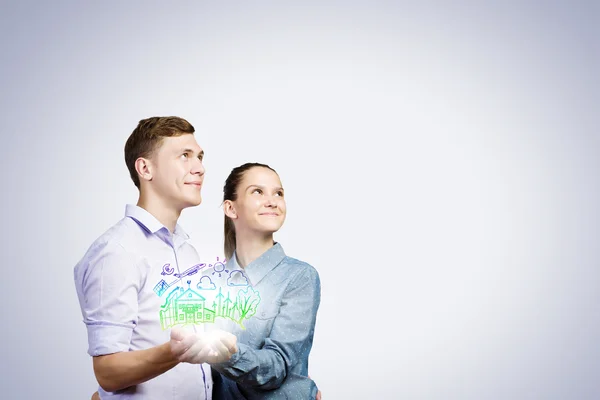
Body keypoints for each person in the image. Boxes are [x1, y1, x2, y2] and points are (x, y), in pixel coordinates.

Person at [74, 116, 237, 399]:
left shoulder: (188, 252)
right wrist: (173, 352)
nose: (199, 168)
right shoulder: (117, 251)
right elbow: (107, 372)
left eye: (199, 157)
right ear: (145, 168)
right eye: (184, 156)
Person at [202, 162, 322, 398]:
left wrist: (225, 354)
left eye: (278, 193)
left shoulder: (300, 278)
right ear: (231, 208)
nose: (273, 201)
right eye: (258, 191)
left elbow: (275, 368)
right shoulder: (208, 282)